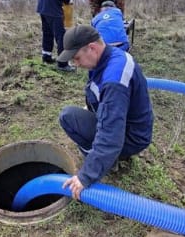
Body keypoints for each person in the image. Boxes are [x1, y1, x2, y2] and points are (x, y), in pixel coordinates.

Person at [57, 25, 154, 200]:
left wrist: (85, 176)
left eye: (77, 58)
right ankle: (107, 158)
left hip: (130, 136)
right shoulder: (107, 58)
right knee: (73, 116)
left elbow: (111, 135)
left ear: (92, 48)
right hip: (128, 126)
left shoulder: (114, 80)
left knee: (68, 117)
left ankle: (107, 163)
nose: (76, 64)